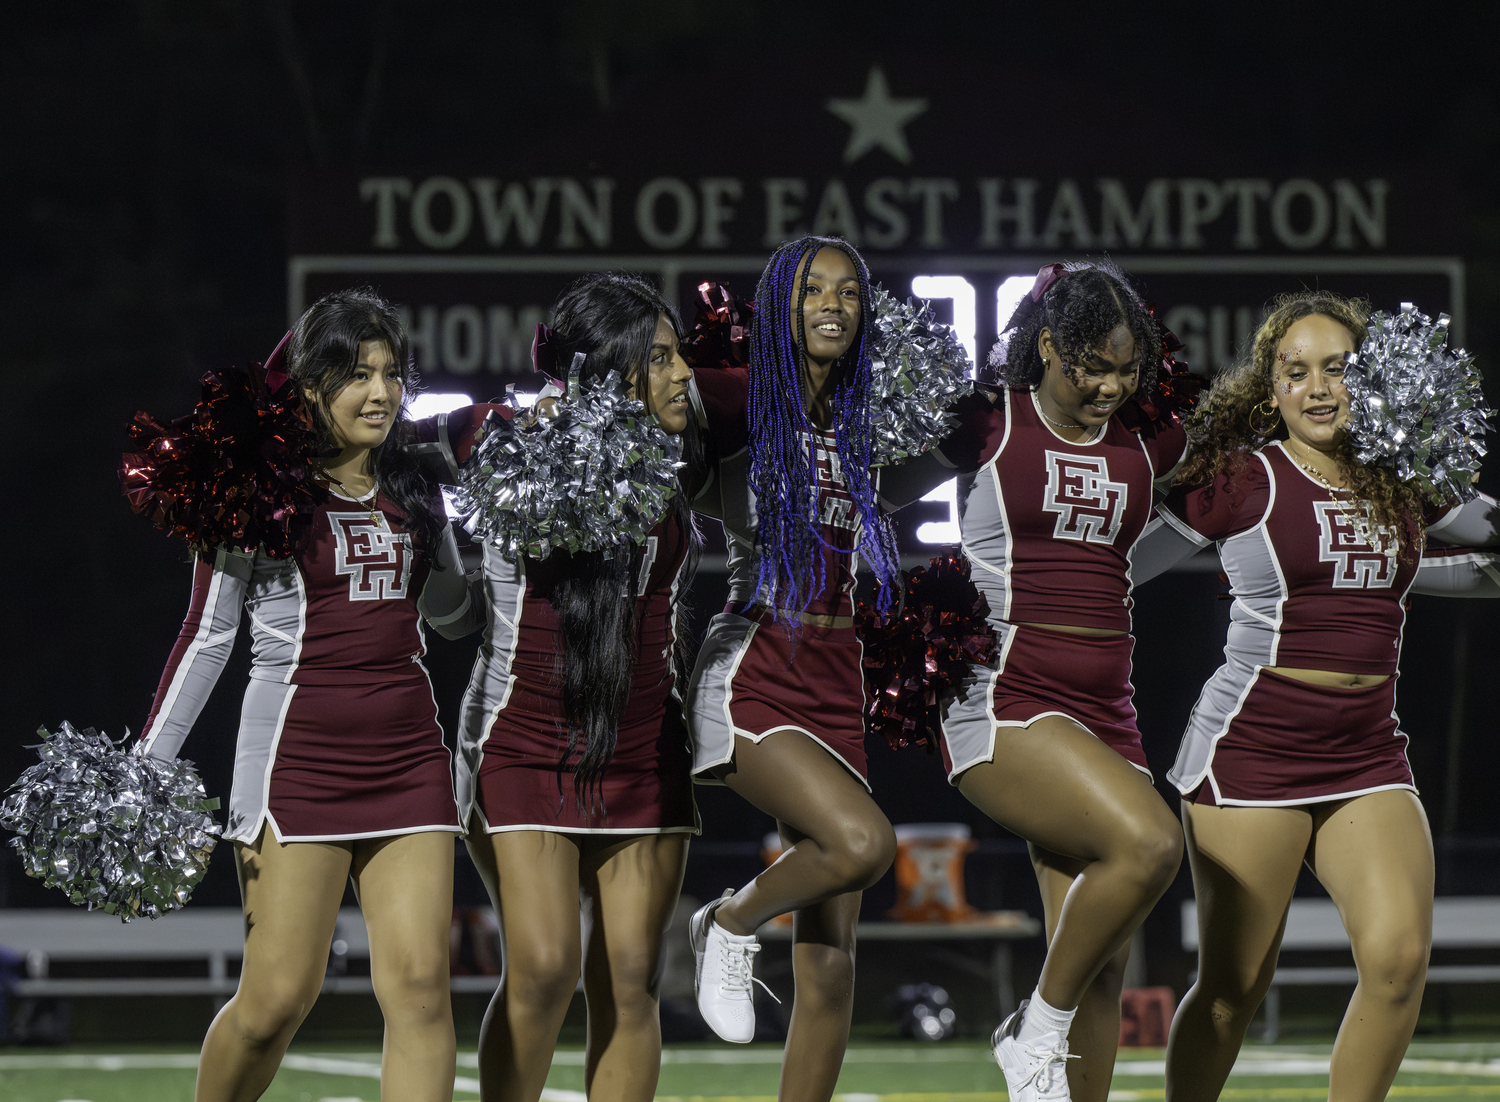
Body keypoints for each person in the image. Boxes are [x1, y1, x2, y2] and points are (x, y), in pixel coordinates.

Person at [1150, 291, 1500, 1101]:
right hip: (1251, 755)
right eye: (1294, 371)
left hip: (1369, 751)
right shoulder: (1245, 479)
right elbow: (1124, 567)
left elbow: (1484, 548)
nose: (1316, 388)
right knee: (1234, 991)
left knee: (1399, 962)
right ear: (1268, 390)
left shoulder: (1405, 479)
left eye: (1336, 368)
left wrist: (1424, 568)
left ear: (1371, 379)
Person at [137, 288, 481, 1102]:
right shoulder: (257, 493)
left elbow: (454, 616)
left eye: (392, 373)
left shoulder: (417, 486)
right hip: (295, 763)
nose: (381, 392)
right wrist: (147, 764)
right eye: (355, 374)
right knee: (275, 1003)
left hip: (409, 759)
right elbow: (207, 634)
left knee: (424, 994)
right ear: (308, 386)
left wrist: (514, 564)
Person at [911, 262, 1188, 1102]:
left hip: (1112, 712)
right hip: (1007, 698)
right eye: (1090, 365)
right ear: (1045, 347)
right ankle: (1031, 1024)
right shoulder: (987, 424)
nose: (1108, 384)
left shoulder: (1148, 446)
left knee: (1102, 964)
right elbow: (847, 481)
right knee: (1150, 844)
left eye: (1124, 367)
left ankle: (1048, 1031)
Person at [452, 273, 701, 1102]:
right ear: (611, 371)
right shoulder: (515, 448)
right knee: (547, 966)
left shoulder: (682, 452)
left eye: (681, 356)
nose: (682, 376)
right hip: (521, 740)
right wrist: (535, 415)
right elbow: (448, 425)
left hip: (642, 750)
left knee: (632, 977)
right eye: (659, 359)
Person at [685, 236, 904, 1101]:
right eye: (812, 289)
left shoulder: (869, 428)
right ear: (777, 304)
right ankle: (728, 921)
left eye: (850, 293)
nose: (832, 304)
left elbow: (966, 448)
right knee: (862, 842)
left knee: (833, 971)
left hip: (836, 682)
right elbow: (671, 434)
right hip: (756, 665)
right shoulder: (737, 407)